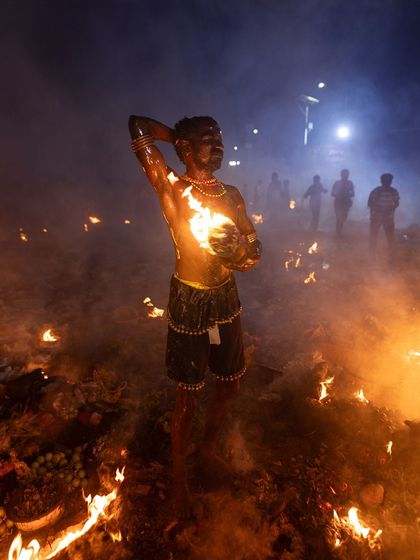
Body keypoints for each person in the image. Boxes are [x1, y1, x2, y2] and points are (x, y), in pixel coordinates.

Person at [128, 115, 262, 518]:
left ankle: (206, 450)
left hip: (225, 299)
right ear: (186, 149)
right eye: (207, 140)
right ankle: (179, 477)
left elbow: (254, 255)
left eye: (219, 137)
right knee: (188, 396)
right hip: (190, 300)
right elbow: (137, 126)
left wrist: (236, 252)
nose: (217, 144)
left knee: (230, 386)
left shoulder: (232, 194)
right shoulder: (172, 186)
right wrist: (178, 139)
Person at [368, 173, 399, 256]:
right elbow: (371, 203)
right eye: (386, 180)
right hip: (377, 217)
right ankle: (372, 253)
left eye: (389, 180)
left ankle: (391, 253)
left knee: (389, 236)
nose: (387, 182)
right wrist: (381, 209)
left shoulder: (393, 191)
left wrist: (388, 209)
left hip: (387, 217)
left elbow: (396, 203)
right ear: (382, 181)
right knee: (374, 235)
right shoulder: (376, 191)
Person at [331, 169, 355, 237]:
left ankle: (339, 232)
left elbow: (353, 194)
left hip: (346, 203)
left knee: (343, 218)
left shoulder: (350, 183)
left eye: (347, 174)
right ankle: (338, 233)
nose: (345, 176)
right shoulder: (337, 183)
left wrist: (346, 196)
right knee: (339, 218)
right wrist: (339, 195)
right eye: (344, 174)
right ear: (341, 175)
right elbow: (332, 193)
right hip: (338, 203)